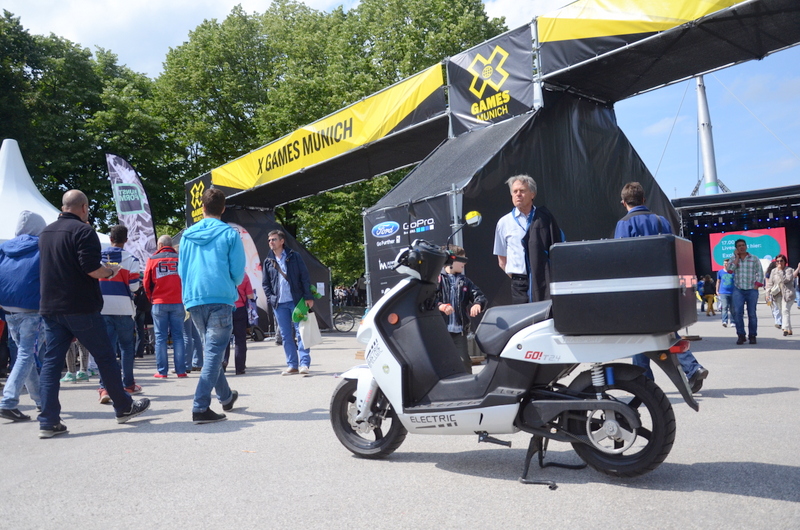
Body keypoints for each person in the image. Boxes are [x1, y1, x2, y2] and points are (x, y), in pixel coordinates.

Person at [37, 190, 150, 438]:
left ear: (63, 207)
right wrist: (109, 272)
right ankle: (123, 407)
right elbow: (91, 268)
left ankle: (48, 420)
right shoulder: (84, 231)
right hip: (80, 306)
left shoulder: (45, 233)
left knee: (51, 364)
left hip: (51, 307)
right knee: (105, 357)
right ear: (84, 207)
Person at [615, 182, 709, 392]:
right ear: (644, 200)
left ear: (623, 203)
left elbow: (621, 259)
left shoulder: (624, 224)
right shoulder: (662, 221)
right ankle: (692, 368)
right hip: (664, 290)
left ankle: (644, 385)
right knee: (665, 333)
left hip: (639, 290)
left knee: (639, 335)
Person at [177, 188, 243, 424]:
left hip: (194, 298)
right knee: (214, 354)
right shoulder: (230, 234)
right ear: (223, 209)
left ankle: (226, 397)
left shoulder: (187, 236)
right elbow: (238, 271)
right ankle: (200, 406)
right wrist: (229, 284)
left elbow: (181, 270)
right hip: (220, 297)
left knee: (211, 352)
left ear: (202, 208)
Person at [0, 211, 46, 422]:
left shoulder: (4, 248)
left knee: (24, 355)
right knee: (26, 355)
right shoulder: (42, 247)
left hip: (9, 308)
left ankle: (41, 400)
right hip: (32, 308)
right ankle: (8, 401)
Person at [495, 175, 562, 304]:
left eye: (522, 191)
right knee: (523, 316)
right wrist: (518, 277)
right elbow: (502, 261)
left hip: (543, 281)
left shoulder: (544, 218)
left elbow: (556, 249)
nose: (518, 194)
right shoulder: (504, 223)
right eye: (515, 191)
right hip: (519, 284)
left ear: (532, 194)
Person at [98, 225, 142, 402]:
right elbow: (134, 287)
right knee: (126, 347)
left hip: (102, 308)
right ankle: (128, 384)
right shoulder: (131, 259)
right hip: (123, 308)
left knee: (106, 349)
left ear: (110, 239)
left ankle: (104, 388)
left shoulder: (97, 258)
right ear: (126, 240)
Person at [262, 229, 314, 376]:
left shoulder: (294, 256)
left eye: (274, 239)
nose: (271, 242)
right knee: (286, 336)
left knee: (301, 332)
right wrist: (271, 298)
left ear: (282, 241)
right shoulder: (268, 261)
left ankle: (304, 364)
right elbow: (265, 283)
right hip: (279, 304)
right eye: (269, 240)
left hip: (296, 301)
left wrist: (308, 297)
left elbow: (304, 277)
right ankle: (292, 365)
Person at [435, 245, 487, 373]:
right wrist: (440, 306)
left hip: (459, 331)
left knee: (464, 361)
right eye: (462, 259)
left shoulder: (465, 282)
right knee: (440, 360)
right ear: (451, 260)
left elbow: (479, 295)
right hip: (441, 331)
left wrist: (477, 304)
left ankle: (467, 382)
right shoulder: (438, 280)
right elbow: (429, 299)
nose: (464, 263)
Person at [144, 234, 186, 379]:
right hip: (178, 301)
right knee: (178, 337)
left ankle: (162, 372)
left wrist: (151, 298)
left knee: (160, 337)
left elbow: (146, 283)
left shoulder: (152, 259)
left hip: (159, 302)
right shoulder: (180, 259)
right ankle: (181, 371)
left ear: (160, 245)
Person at [725, 239, 764, 345]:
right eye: (739, 246)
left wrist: (757, 285)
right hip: (738, 289)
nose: (741, 247)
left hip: (751, 289)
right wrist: (736, 258)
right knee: (738, 313)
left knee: (752, 314)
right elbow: (730, 270)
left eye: (743, 245)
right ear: (736, 248)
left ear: (746, 246)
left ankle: (752, 336)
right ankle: (741, 335)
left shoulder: (754, 258)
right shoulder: (733, 259)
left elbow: (760, 272)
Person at [224, 274, 254, 375]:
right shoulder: (243, 275)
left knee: (224, 338)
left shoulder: (223, 274)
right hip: (240, 309)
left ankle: (223, 361)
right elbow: (250, 295)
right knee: (240, 340)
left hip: (225, 309)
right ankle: (240, 367)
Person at [764, 254, 794, 336]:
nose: (779, 262)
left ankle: (785, 328)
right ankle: (789, 329)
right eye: (777, 261)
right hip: (777, 295)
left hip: (788, 294)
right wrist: (767, 294)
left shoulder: (789, 270)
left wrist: (780, 271)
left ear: (785, 262)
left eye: (781, 261)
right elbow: (770, 283)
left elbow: (786, 280)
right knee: (782, 311)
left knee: (785, 310)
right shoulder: (773, 271)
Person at [764, 259, 782, 329]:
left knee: (776, 307)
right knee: (775, 307)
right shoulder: (769, 274)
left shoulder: (779, 272)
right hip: (773, 292)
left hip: (777, 291)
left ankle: (778, 321)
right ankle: (778, 321)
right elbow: (767, 284)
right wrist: (767, 293)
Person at [716, 258, 734, 327]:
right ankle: (724, 321)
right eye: (724, 264)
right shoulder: (720, 272)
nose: (725, 265)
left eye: (727, 264)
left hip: (732, 292)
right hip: (723, 292)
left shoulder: (733, 272)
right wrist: (717, 290)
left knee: (732, 308)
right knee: (724, 307)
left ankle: (732, 322)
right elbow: (718, 281)